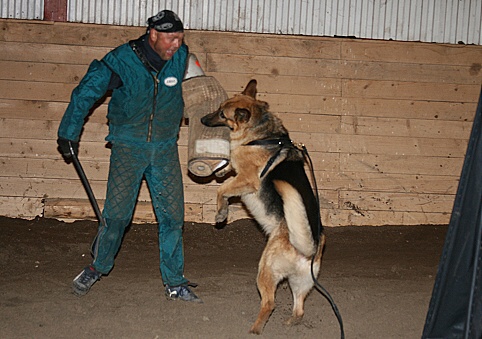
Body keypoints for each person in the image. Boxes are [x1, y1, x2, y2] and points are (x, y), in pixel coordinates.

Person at [57, 10, 202, 303]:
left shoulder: (182, 57)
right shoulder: (121, 61)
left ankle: (174, 282)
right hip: (128, 147)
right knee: (117, 216)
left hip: (164, 149)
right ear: (153, 35)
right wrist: (68, 132)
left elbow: (203, 89)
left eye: (180, 37)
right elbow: (86, 92)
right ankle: (96, 267)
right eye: (170, 38)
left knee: (173, 217)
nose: (176, 44)